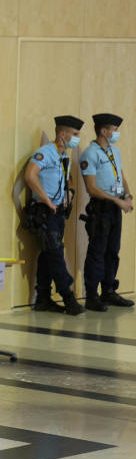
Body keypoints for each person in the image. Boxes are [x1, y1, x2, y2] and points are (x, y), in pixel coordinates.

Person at [24, 115, 85, 315]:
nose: (77, 138)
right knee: (56, 253)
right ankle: (68, 297)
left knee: (48, 255)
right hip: (45, 212)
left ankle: (43, 297)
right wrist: (46, 199)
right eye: (74, 134)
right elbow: (30, 175)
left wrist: (66, 194)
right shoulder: (45, 153)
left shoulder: (64, 156)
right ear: (62, 134)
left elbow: (62, 181)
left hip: (58, 212)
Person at [80, 113, 135, 311]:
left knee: (113, 251)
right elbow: (91, 188)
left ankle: (108, 291)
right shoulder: (90, 154)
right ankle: (92, 296)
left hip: (115, 207)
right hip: (101, 208)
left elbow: (121, 176)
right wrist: (116, 201)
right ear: (103, 131)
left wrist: (127, 196)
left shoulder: (114, 152)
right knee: (98, 251)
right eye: (114, 129)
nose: (116, 133)